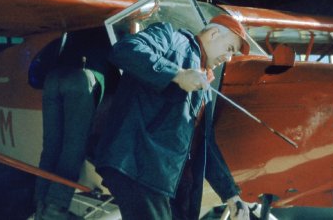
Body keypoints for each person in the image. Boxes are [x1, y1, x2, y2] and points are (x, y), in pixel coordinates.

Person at [94, 14, 251, 220]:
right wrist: (177, 74)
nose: (229, 58)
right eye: (230, 48)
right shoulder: (169, 36)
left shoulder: (205, 84)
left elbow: (205, 144)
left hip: (164, 180)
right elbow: (124, 49)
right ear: (213, 34)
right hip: (137, 164)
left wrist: (231, 195)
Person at [28, 27, 119, 220]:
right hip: (82, 79)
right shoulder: (115, 28)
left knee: (51, 147)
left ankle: (41, 206)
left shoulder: (81, 23)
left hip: (53, 78)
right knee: (73, 148)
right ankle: (55, 209)